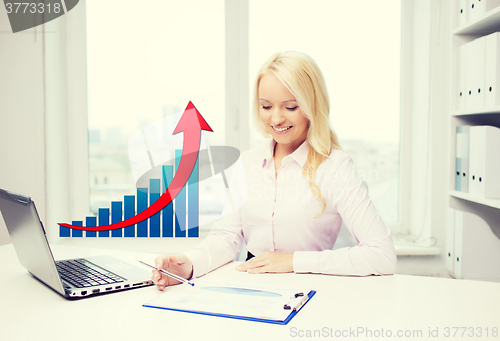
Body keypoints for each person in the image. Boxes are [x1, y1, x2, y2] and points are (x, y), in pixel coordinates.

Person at [152, 51, 397, 290]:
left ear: (313, 107)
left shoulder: (335, 167)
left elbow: (382, 255)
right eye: (266, 106)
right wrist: (188, 266)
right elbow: (226, 238)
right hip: (250, 289)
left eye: (290, 107)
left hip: (309, 291)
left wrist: (292, 261)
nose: (276, 119)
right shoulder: (247, 163)